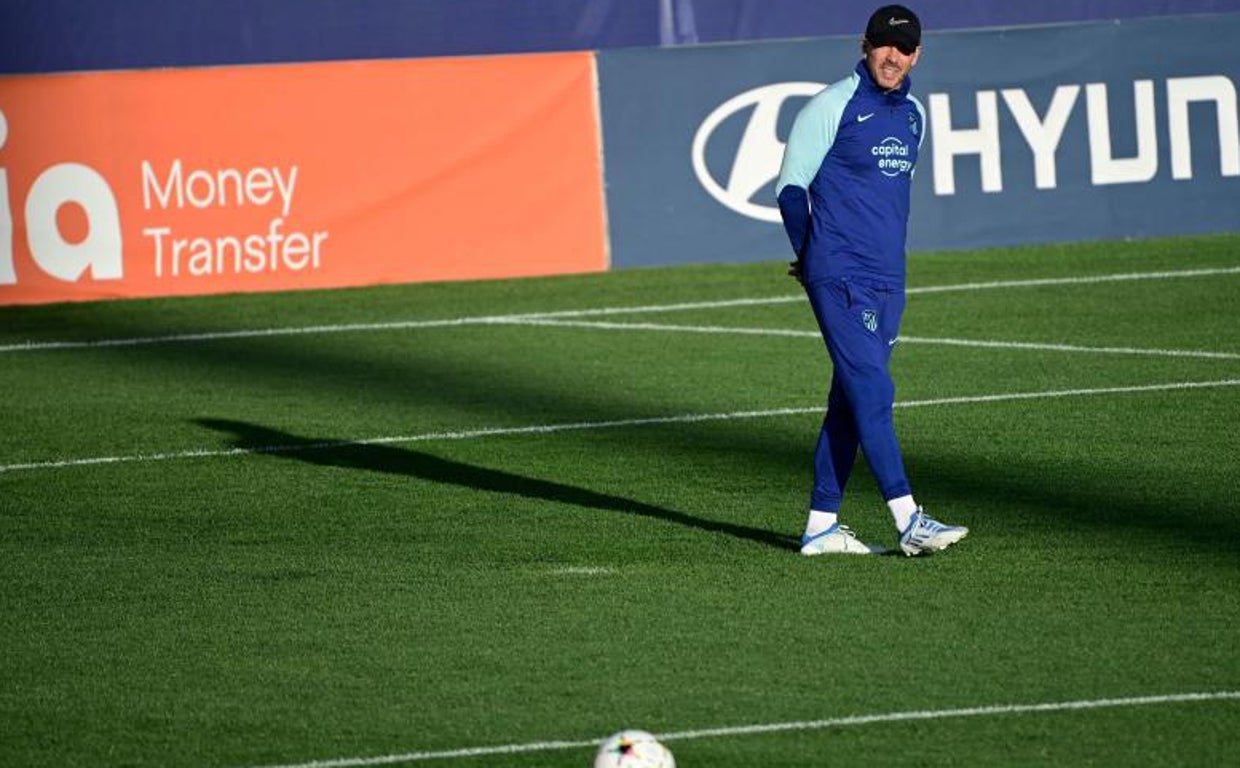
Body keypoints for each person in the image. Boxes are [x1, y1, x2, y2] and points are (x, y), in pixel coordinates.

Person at [775, 5, 967, 556]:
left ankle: (820, 527)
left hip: (888, 277)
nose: (892, 56)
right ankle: (909, 518)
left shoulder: (914, 116)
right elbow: (791, 189)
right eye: (884, 44)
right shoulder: (831, 105)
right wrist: (811, 254)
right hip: (840, 271)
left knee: (851, 399)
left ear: (917, 56)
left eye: (904, 49)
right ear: (865, 45)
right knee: (875, 389)